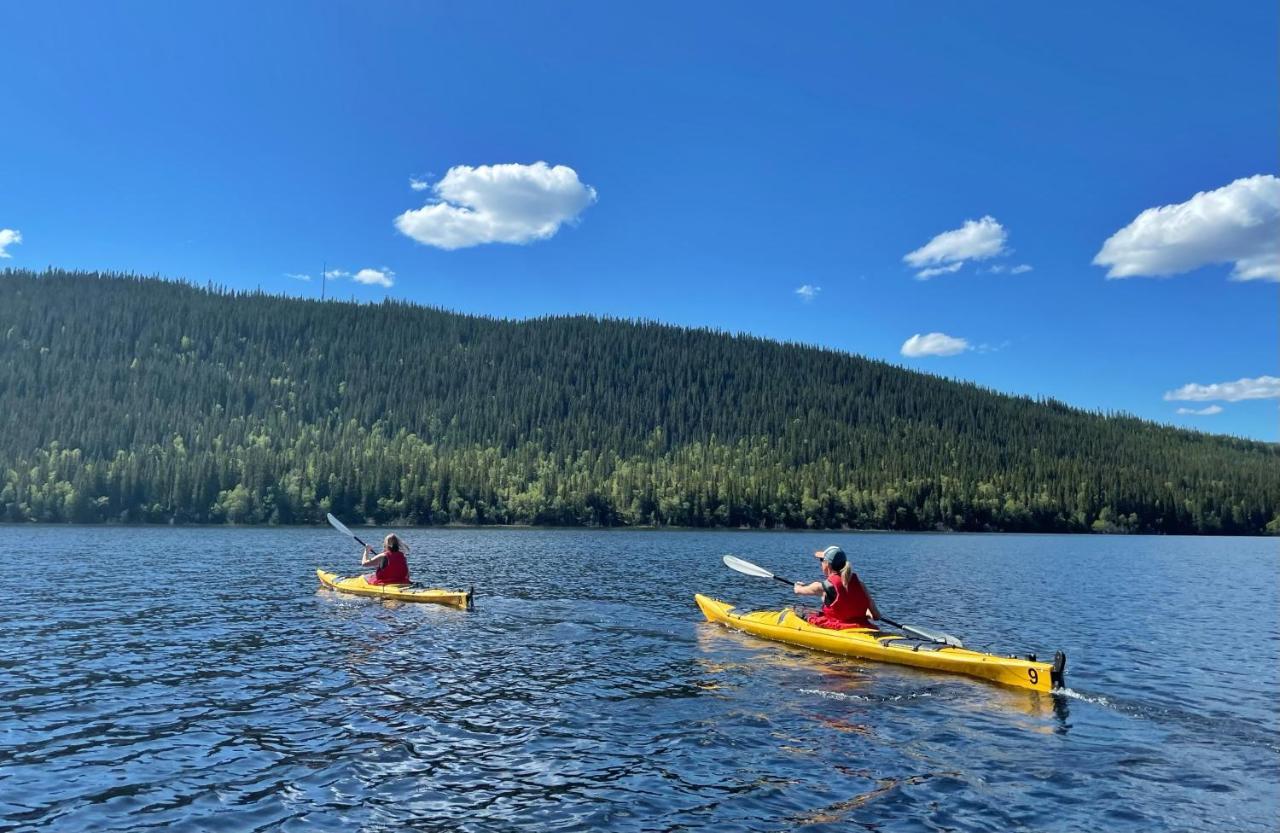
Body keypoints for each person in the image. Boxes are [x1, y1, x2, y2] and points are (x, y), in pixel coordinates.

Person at [794, 545, 880, 629]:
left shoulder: (823, 586)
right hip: (862, 625)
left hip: (839, 626)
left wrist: (797, 586)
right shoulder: (860, 584)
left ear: (827, 564)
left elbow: (798, 591)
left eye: (821, 560)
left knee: (798, 610)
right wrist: (866, 612)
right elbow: (876, 616)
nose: (820, 563)